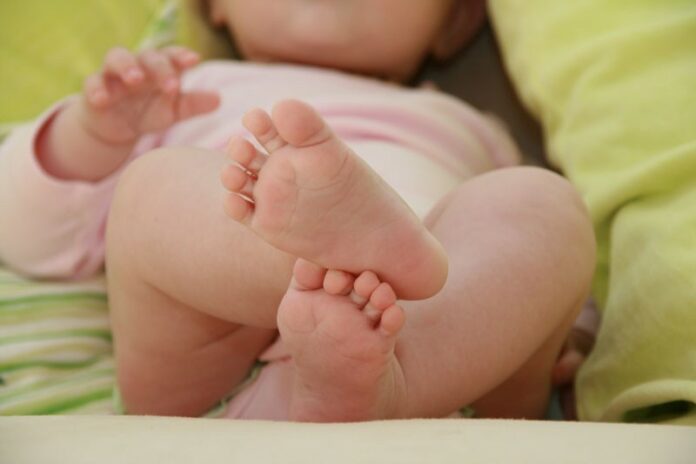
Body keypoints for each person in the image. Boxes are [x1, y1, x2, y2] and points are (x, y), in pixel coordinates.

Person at [0, 0, 595, 421]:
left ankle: (386, 375)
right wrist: (93, 134)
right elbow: (22, 235)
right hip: (205, 387)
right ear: (215, 6)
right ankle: (327, 252)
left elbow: (527, 266)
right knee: (151, 188)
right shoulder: (183, 92)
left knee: (542, 202)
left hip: (440, 365)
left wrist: (568, 328)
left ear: (455, 21)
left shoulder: (471, 125)